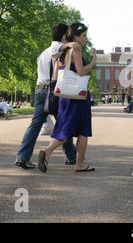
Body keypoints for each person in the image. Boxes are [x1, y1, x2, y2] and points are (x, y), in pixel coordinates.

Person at [14, 24, 81, 169]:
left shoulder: (42, 54)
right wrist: (71, 44)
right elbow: (56, 50)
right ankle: (71, 157)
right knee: (65, 124)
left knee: (35, 125)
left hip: (40, 90)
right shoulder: (57, 49)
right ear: (64, 35)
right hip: (53, 92)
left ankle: (22, 156)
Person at [38, 23, 97, 173]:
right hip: (78, 97)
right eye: (83, 35)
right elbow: (81, 72)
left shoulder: (61, 53)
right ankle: (80, 164)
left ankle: (48, 152)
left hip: (64, 96)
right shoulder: (75, 49)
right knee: (83, 130)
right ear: (76, 36)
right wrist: (92, 61)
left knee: (65, 129)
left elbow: (57, 76)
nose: (85, 38)